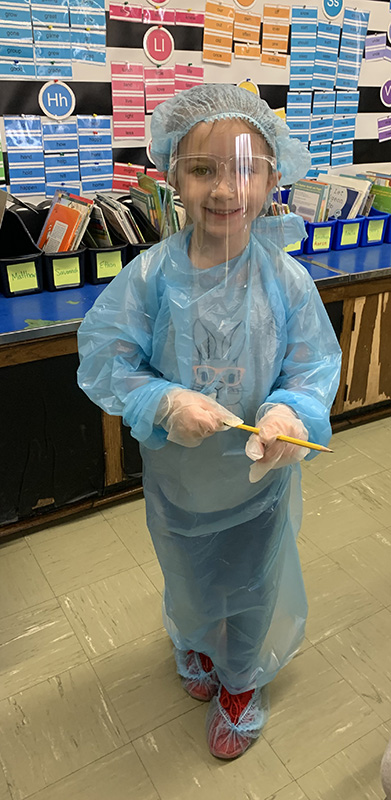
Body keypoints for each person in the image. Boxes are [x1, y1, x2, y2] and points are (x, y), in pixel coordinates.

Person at [77, 84, 341, 760]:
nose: (226, 188)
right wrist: (161, 401)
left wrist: (287, 409)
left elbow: (310, 369)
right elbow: (110, 359)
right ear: (172, 178)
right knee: (190, 576)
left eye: (246, 167)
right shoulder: (147, 279)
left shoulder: (286, 283)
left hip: (257, 486)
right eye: (203, 168)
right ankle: (194, 641)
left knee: (252, 586)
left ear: (273, 177)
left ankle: (241, 682)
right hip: (179, 484)